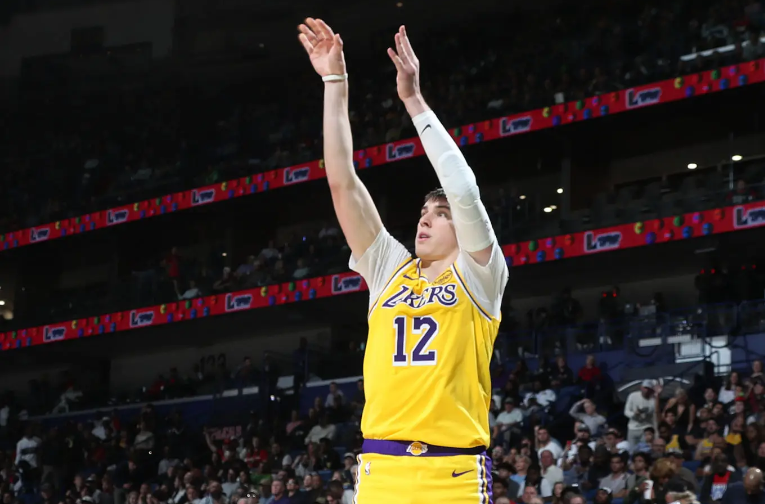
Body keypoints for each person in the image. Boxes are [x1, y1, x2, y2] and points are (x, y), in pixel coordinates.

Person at [298, 18, 508, 503]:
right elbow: (342, 182)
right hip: (382, 471)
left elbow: (463, 189)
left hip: (453, 472)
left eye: (441, 215)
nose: (426, 219)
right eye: (423, 213)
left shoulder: (481, 273)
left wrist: (413, 100)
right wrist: (335, 82)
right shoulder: (389, 268)